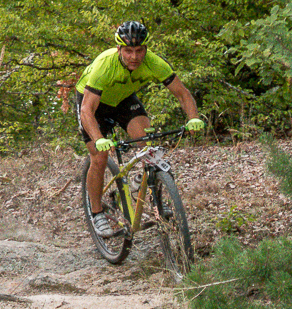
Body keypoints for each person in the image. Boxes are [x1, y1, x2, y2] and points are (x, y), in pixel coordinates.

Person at [74, 20, 203, 237]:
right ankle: (96, 213)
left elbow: (183, 93)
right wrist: (98, 138)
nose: (134, 56)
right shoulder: (105, 65)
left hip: (123, 99)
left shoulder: (154, 63)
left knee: (148, 144)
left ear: (146, 48)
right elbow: (87, 110)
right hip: (93, 103)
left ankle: (151, 193)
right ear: (119, 49)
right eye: (128, 51)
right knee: (99, 156)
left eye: (139, 50)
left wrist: (193, 118)